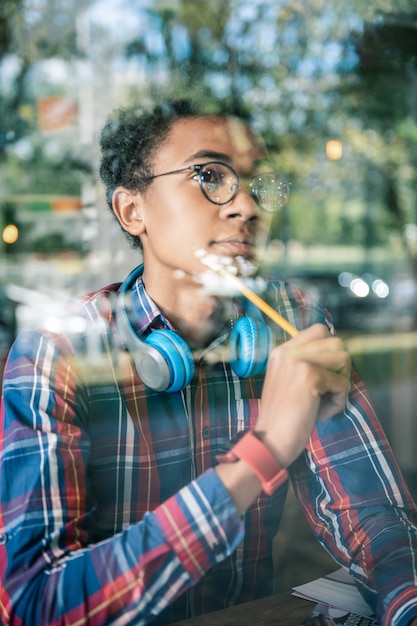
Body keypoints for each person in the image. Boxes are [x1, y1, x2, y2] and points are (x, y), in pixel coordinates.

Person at [0, 99, 416, 626]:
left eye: (258, 185)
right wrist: (261, 454)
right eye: (209, 175)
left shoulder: (296, 323)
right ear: (133, 211)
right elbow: (35, 606)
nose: (247, 206)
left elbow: (374, 520)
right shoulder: (55, 353)